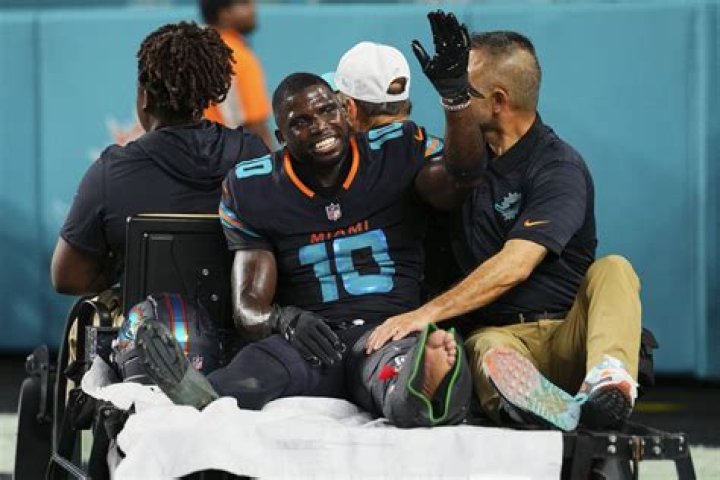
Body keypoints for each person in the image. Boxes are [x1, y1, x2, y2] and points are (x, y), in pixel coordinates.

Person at [135, 69, 485, 428]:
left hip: (386, 331)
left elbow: (464, 176)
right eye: (300, 122)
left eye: (327, 111)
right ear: (280, 137)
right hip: (311, 342)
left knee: (395, 373)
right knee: (250, 374)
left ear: (346, 111)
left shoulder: (394, 151)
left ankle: (419, 392)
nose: (319, 126)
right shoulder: (254, 188)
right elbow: (247, 308)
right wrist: (284, 320)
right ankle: (202, 396)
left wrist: (456, 100)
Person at [366, 11, 642, 432]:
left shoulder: (558, 166)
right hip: (500, 338)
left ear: (497, 101)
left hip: (570, 335)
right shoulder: (458, 165)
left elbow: (516, 265)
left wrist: (424, 313)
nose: (455, 97)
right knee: (486, 346)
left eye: (463, 89)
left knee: (615, 270)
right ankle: (548, 408)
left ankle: (607, 387)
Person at [51, 21, 268, 298]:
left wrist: (130, 274)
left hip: (148, 323)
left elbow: (68, 277)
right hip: (241, 322)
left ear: (144, 97)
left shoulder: (111, 172)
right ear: (207, 96)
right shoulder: (253, 154)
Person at [328, 41, 462, 297]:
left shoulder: (336, 168)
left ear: (350, 108)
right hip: (445, 304)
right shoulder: (442, 153)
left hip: (373, 307)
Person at [200, 0, 274, 149]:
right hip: (229, 154)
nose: (253, 9)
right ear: (224, 14)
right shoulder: (238, 56)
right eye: (244, 3)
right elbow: (255, 125)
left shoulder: (192, 50)